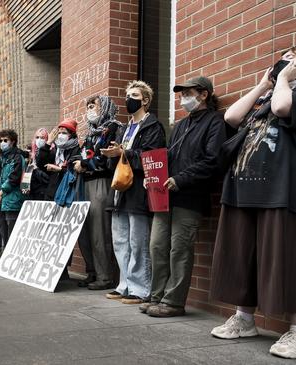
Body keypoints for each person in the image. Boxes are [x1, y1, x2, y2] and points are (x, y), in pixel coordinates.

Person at [209, 49, 296, 359]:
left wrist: (284, 79)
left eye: (293, 57)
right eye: (283, 57)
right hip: (242, 190)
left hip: (281, 190)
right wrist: (264, 84)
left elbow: (284, 108)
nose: (286, 61)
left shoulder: (286, 94)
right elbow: (231, 117)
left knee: (283, 257)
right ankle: (244, 319)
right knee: (242, 255)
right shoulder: (266, 96)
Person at [142, 77, 226, 317]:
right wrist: (154, 177)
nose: (182, 98)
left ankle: (173, 302)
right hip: (165, 196)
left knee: (179, 249)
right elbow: (166, 158)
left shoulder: (215, 122)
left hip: (190, 196)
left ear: (204, 94)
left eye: (188, 93)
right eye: (181, 94)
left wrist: (181, 179)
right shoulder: (180, 125)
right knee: (157, 246)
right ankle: (156, 296)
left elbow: (213, 161)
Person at [101, 80, 166, 305]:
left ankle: (140, 288)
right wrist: (112, 154)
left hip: (139, 191)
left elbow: (151, 158)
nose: (129, 98)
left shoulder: (153, 127)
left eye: (135, 94)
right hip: (119, 191)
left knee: (138, 241)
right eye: (128, 94)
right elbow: (119, 160)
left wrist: (123, 152)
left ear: (145, 100)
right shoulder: (122, 128)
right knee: (120, 241)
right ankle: (124, 284)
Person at [70, 95, 122, 290]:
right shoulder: (91, 133)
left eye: (94, 106)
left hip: (101, 182)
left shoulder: (113, 128)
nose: (90, 109)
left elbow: (107, 159)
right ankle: (92, 271)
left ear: (106, 107)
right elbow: (82, 154)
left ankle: (105, 276)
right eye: (88, 106)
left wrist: (83, 164)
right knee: (85, 231)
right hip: (85, 184)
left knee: (100, 231)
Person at [36, 118, 82, 280]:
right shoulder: (55, 149)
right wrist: (48, 142)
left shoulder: (76, 149)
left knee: (62, 234)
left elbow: (74, 170)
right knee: (50, 233)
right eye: (60, 132)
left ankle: (63, 270)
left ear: (71, 135)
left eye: (64, 133)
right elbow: (40, 162)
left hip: (67, 194)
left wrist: (58, 169)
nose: (61, 135)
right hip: (51, 193)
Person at [0, 129, 26, 257]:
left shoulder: (18, 157)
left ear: (13, 141)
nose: (2, 143)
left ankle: (11, 254)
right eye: (1, 141)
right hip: (0, 199)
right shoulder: (1, 159)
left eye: (6, 140)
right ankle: (5, 252)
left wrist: (0, 193)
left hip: (13, 199)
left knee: (12, 228)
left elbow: (14, 178)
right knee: (2, 228)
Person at [24, 128, 50, 201]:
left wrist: (36, 169)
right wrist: (25, 186)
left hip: (43, 194)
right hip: (32, 194)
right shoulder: (33, 157)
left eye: (42, 137)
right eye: (37, 137)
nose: (39, 140)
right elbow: (27, 175)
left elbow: (48, 178)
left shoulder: (50, 152)